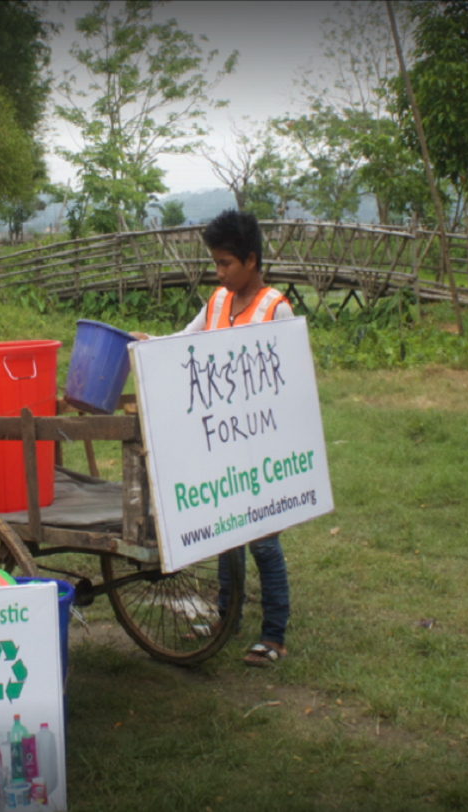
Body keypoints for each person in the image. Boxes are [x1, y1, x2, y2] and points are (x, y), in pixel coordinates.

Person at [131, 209, 294, 667]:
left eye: (226, 264)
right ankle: (227, 617)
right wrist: (150, 344)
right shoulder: (218, 302)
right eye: (216, 264)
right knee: (228, 531)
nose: (219, 273)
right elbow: (185, 342)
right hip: (221, 443)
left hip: (258, 445)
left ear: (251, 259)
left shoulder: (274, 309)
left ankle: (275, 633)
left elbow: (287, 381)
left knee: (262, 538)